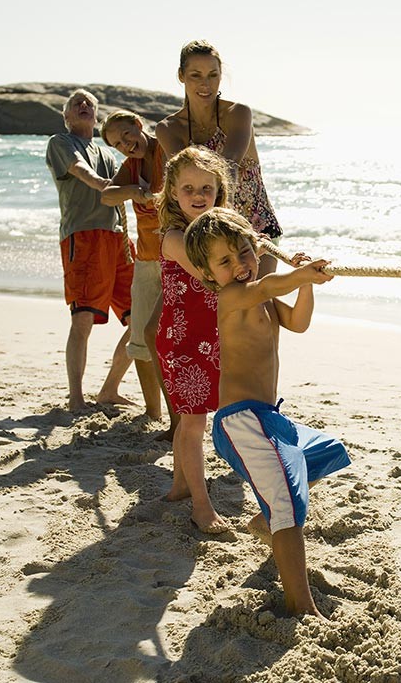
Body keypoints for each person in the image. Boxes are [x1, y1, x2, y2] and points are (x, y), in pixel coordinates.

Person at [183, 207, 349, 617]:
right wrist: (299, 275)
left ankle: (264, 520)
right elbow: (269, 286)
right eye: (225, 261)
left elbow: (298, 321)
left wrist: (306, 285)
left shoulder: (266, 297)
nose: (239, 265)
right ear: (210, 273)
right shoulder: (232, 297)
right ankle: (301, 605)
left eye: (244, 252)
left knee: (327, 450)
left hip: (267, 417)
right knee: (289, 507)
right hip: (241, 421)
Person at [44, 89, 141, 413]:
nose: (83, 106)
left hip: (118, 240)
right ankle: (75, 398)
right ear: (67, 116)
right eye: (76, 104)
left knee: (140, 319)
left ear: (97, 117)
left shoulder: (108, 153)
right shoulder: (61, 142)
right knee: (83, 318)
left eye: (89, 104)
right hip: (83, 238)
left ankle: (109, 390)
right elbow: (85, 175)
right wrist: (118, 189)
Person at [154, 146, 234, 533]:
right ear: (172, 193)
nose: (198, 195)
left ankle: (180, 485)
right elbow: (210, 274)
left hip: (212, 338)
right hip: (183, 340)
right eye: (188, 188)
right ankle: (201, 507)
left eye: (207, 187)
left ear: (220, 190)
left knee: (192, 420)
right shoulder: (174, 237)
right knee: (193, 423)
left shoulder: (219, 234)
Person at [155, 40, 283, 250]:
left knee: (263, 285)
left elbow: (229, 165)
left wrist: (231, 226)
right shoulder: (168, 129)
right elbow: (181, 178)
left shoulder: (238, 114)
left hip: (257, 225)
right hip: (205, 230)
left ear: (220, 75)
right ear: (181, 75)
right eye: (196, 75)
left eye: (213, 75)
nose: (205, 84)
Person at [100, 109, 175, 438]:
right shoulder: (131, 166)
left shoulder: (166, 149)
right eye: (117, 144)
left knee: (164, 337)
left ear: (138, 125)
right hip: (146, 259)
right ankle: (153, 412)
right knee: (142, 341)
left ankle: (179, 419)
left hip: (179, 258)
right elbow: (106, 196)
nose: (125, 144)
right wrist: (132, 191)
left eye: (126, 135)